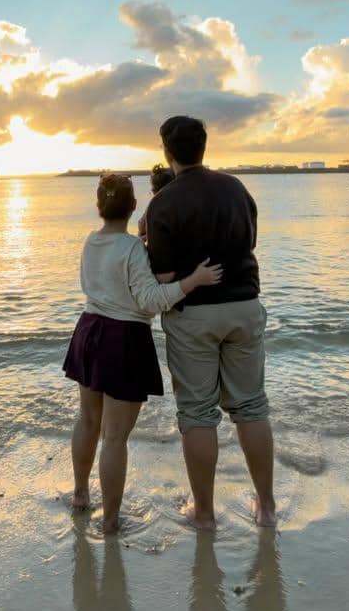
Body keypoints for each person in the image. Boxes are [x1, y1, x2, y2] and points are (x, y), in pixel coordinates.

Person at [63, 172, 221, 534]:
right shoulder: (133, 248)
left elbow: (111, 283)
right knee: (115, 437)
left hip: (88, 330)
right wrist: (193, 280)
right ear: (134, 207)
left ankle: (81, 495)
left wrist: (149, 271)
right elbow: (150, 302)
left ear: (98, 207)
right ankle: (112, 520)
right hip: (123, 338)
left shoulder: (91, 241)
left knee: (87, 420)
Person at [145, 115, 275, 530]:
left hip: (193, 316)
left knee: (198, 413)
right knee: (251, 405)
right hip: (244, 305)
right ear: (204, 147)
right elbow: (250, 241)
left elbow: (164, 279)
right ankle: (267, 508)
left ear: (168, 152)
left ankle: (203, 512)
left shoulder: (163, 202)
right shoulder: (235, 188)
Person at [137, 163, 175, 243]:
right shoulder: (180, 204)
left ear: (155, 191)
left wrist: (145, 237)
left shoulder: (154, 206)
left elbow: (141, 226)